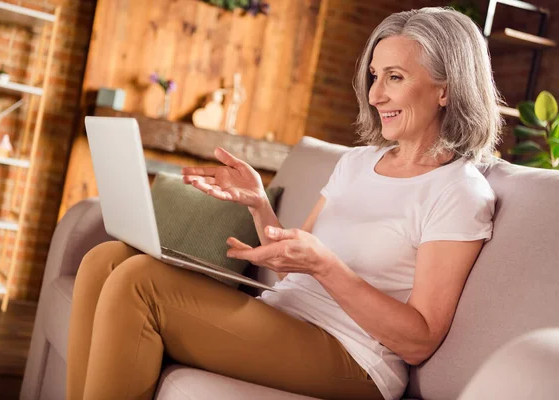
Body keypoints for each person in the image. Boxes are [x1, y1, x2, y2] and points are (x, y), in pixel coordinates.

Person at [67, 6, 501, 400]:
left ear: (445, 90)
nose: (374, 95)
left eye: (396, 77)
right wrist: (259, 203)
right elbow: (290, 263)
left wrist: (329, 267)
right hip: (285, 315)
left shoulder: (458, 192)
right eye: (375, 76)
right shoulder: (356, 163)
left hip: (355, 357)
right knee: (105, 259)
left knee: (141, 281)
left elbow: (420, 339)